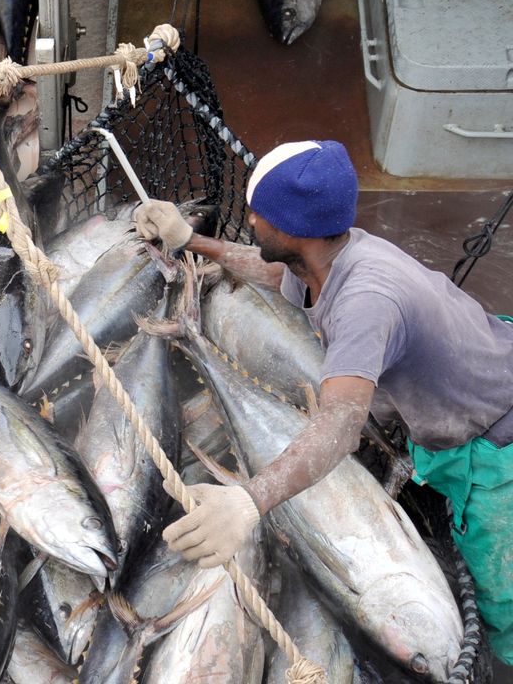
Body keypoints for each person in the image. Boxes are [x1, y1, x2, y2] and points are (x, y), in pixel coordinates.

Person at [133, 139, 513, 661]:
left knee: (505, 606)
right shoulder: (337, 251)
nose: (249, 219)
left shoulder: (364, 303)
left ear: (290, 231)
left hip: (496, 448)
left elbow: (340, 426)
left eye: (256, 214)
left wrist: (250, 501)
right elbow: (275, 271)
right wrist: (191, 241)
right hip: (479, 377)